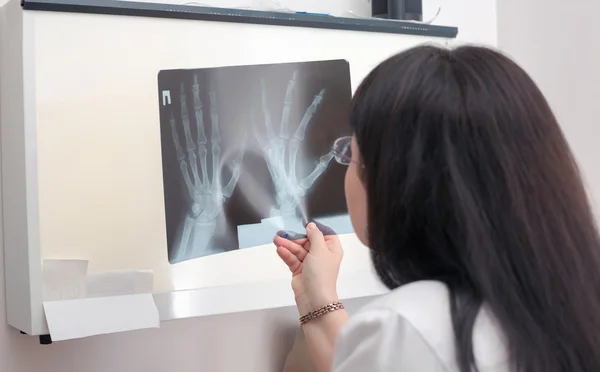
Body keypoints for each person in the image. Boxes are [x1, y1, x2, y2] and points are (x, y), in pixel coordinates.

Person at [273, 45, 600, 372]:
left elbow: (408, 345)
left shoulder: (407, 327)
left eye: (350, 153)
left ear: (398, 176)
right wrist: (317, 299)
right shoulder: (570, 307)